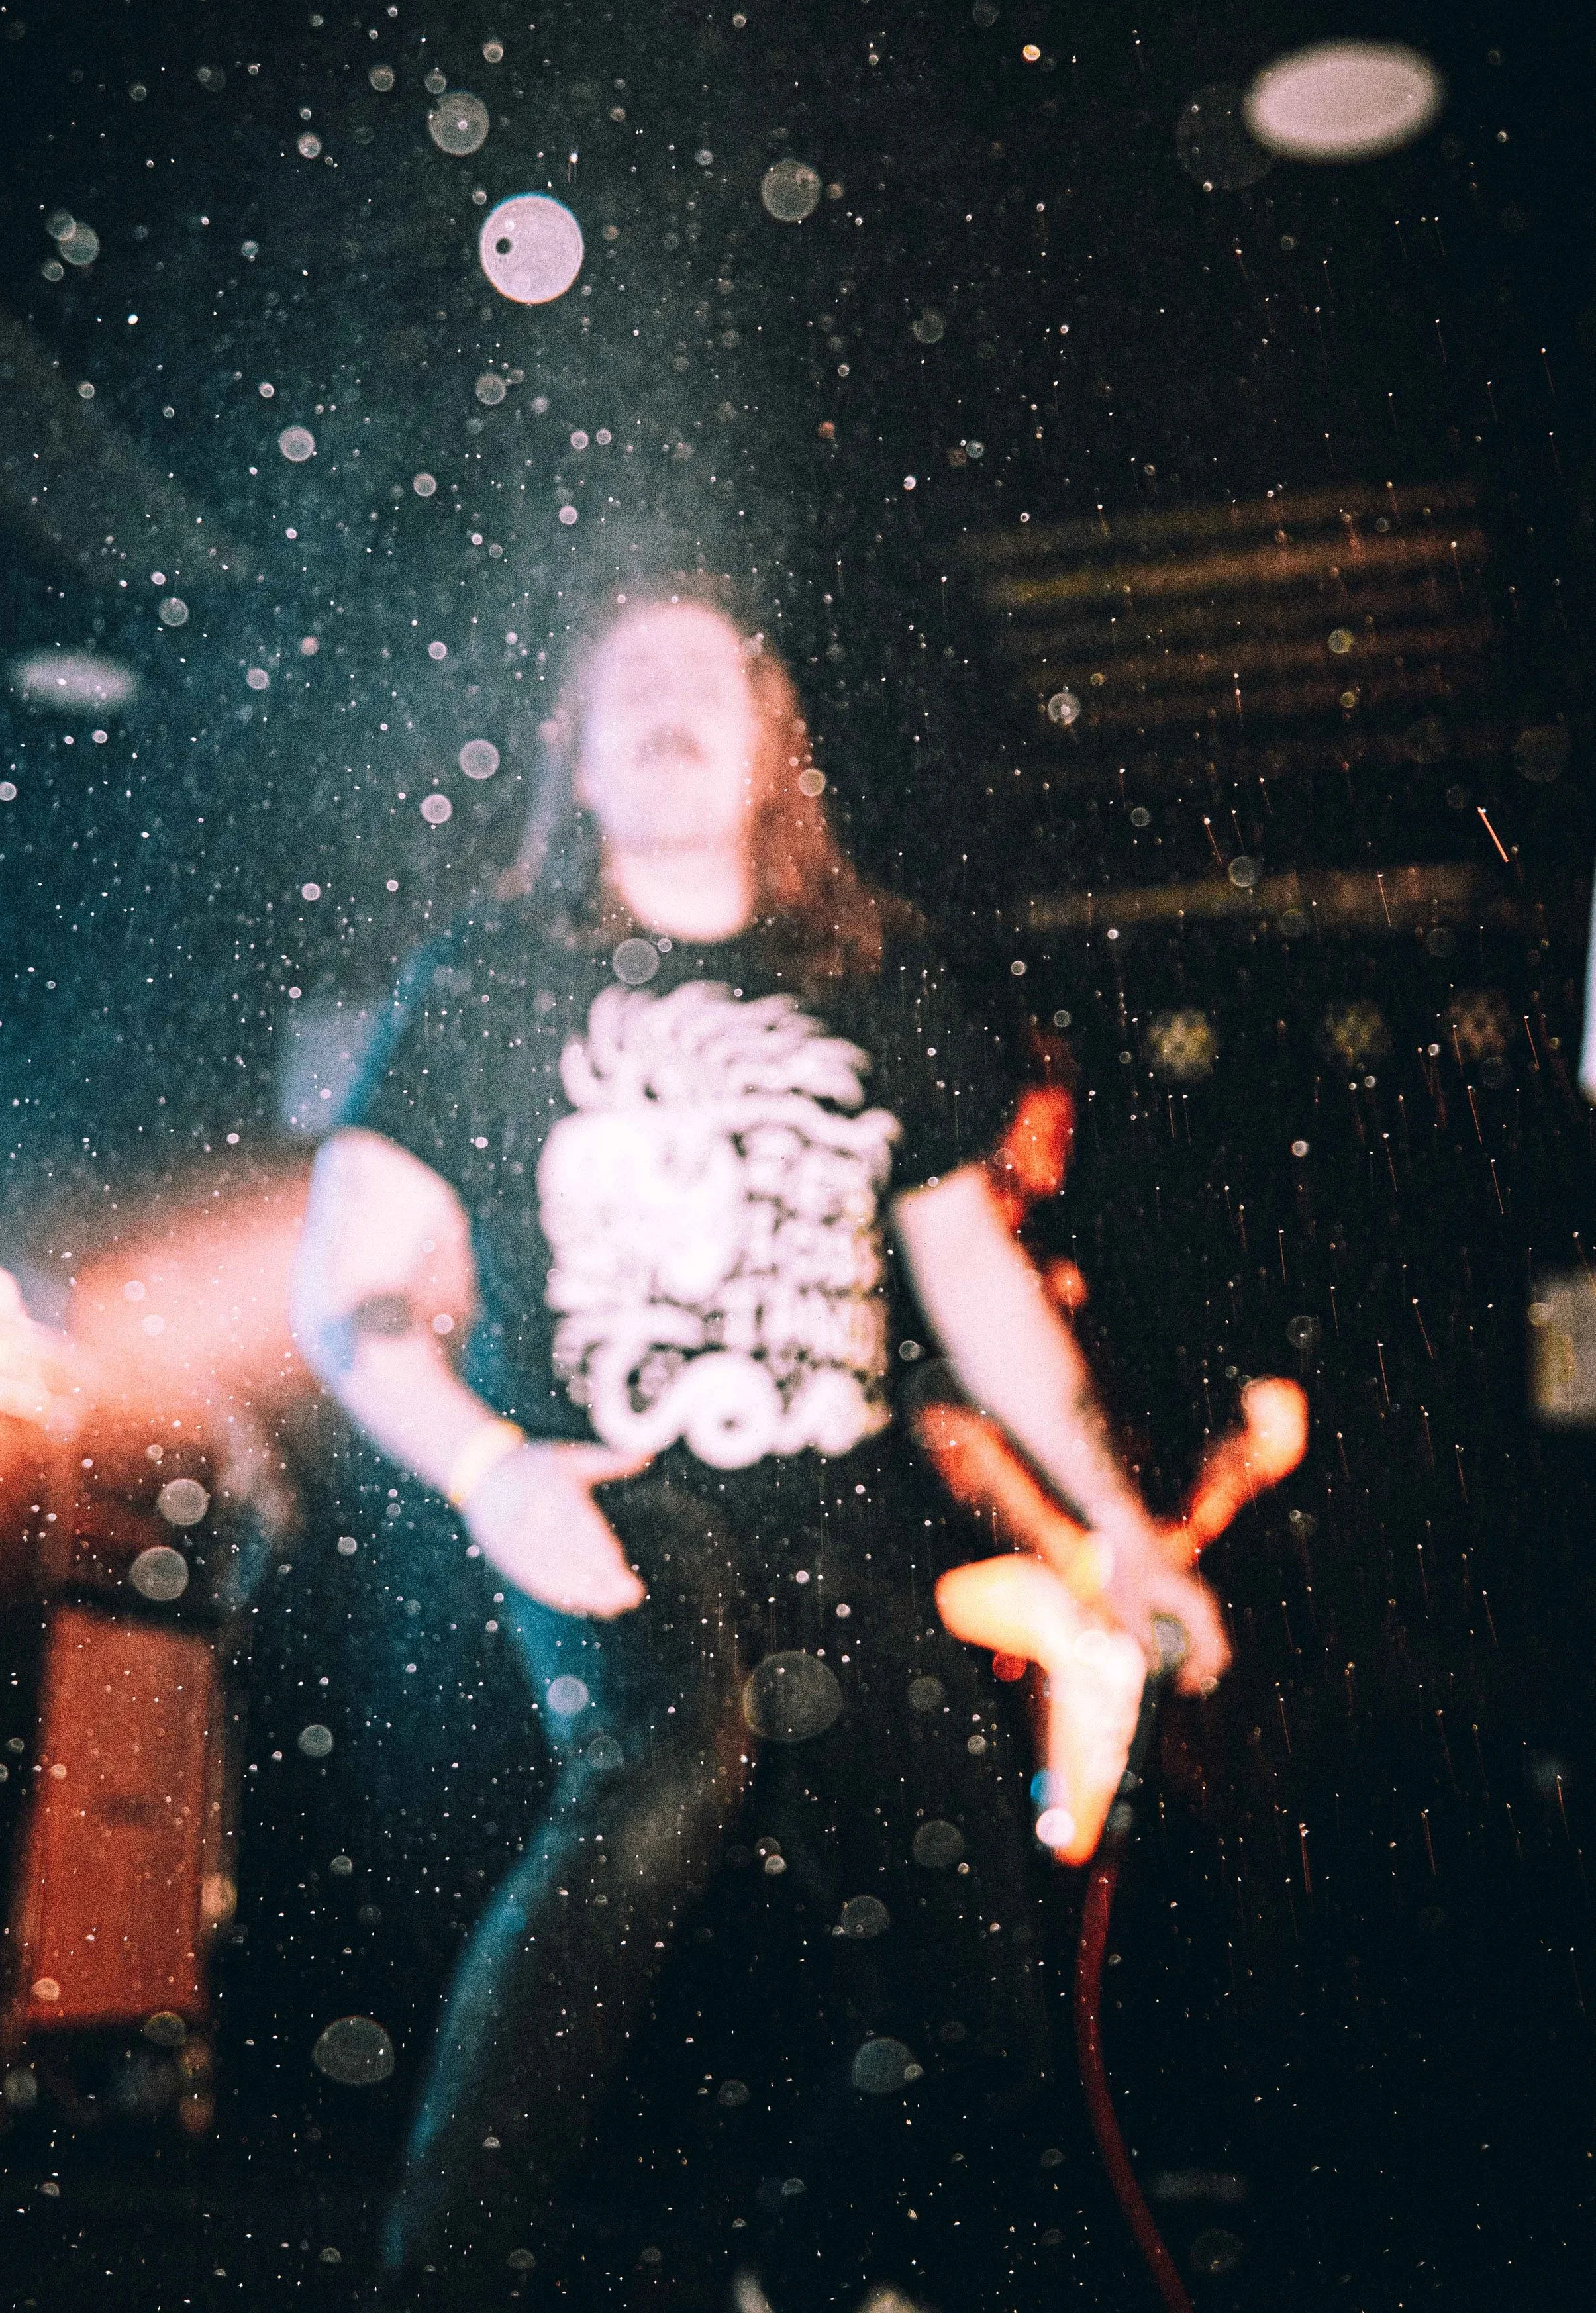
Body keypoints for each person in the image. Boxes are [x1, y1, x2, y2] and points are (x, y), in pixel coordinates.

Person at [289, 579, 1228, 2313]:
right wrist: (486, 1464)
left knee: (979, 2009)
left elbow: (978, 1287)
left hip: (838, 1528)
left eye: (699, 671)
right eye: (620, 673)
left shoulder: (870, 980)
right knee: (667, 1767)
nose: (659, 694)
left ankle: (803, 2276)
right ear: (572, 748)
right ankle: (439, 2281)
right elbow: (344, 1290)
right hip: (607, 1486)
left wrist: (1124, 1525)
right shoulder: (493, 984)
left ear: (770, 739)